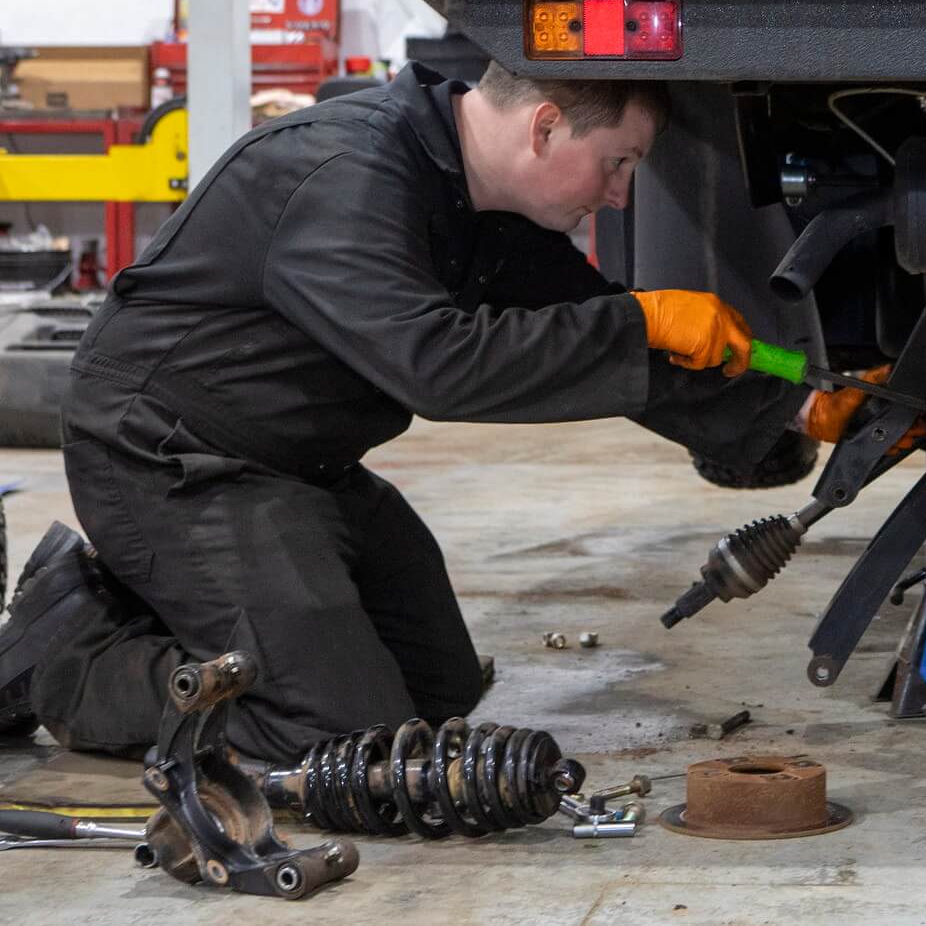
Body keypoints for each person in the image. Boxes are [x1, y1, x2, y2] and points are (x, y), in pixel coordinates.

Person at [0, 62, 877, 761]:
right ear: (542, 127)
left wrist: (798, 410)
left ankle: (190, 612)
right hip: (171, 459)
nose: (618, 194)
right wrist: (637, 317)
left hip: (299, 467)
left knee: (438, 689)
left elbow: (596, 348)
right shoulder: (346, 173)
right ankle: (67, 657)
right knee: (339, 740)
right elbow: (437, 365)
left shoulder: (481, 204)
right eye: (619, 163)